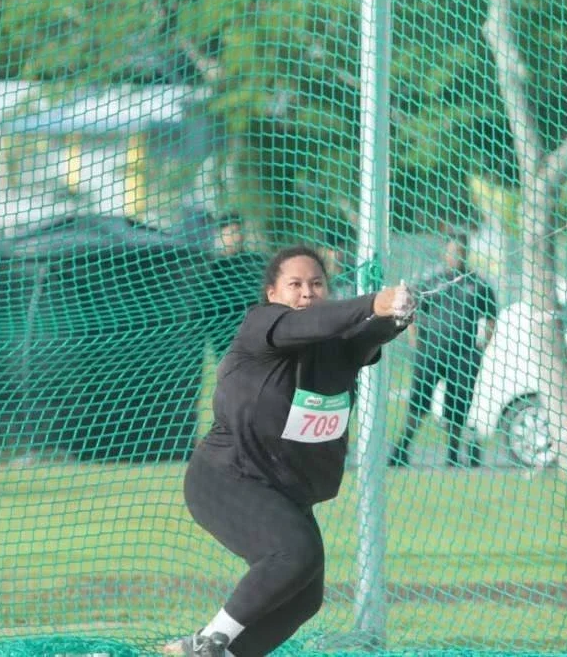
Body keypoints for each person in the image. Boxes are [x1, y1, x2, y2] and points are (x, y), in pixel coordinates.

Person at [166, 246, 413, 657]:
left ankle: (224, 654)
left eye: (316, 284)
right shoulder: (262, 324)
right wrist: (375, 302)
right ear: (272, 294)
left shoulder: (335, 344)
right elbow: (318, 321)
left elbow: (365, 335)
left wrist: (397, 316)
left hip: (283, 491)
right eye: (295, 284)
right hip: (225, 479)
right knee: (293, 554)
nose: (307, 293)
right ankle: (204, 644)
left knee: (303, 598)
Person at [388, 233, 498, 469]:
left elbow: (490, 318)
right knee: (419, 403)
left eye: (461, 251)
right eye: (452, 251)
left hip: (463, 356)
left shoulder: (478, 284)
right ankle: (401, 450)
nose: (456, 256)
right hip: (430, 353)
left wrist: (481, 347)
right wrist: (415, 339)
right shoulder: (432, 281)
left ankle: (453, 455)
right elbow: (411, 309)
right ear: (444, 253)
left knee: (457, 406)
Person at [207, 214, 266, 358]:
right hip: (223, 327)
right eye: (232, 232)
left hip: (251, 325)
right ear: (221, 234)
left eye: (239, 231)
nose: (237, 237)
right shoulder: (213, 265)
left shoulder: (254, 261)